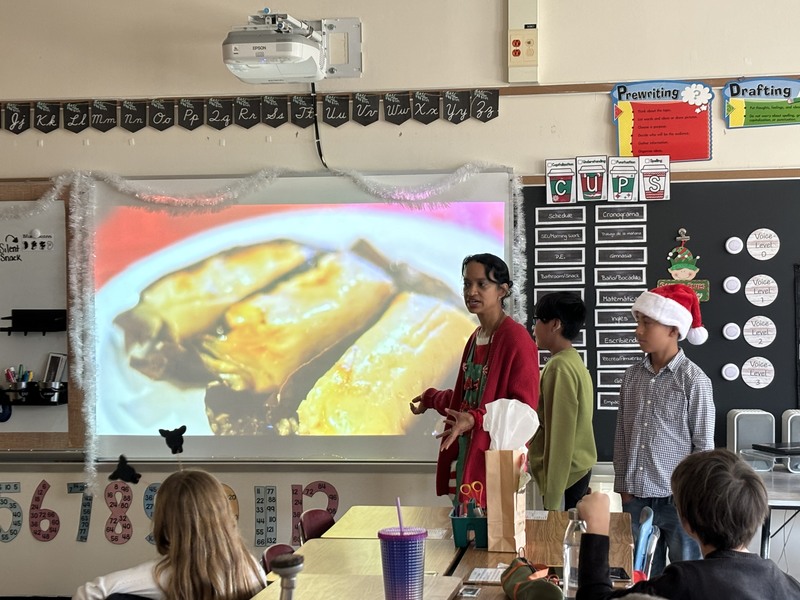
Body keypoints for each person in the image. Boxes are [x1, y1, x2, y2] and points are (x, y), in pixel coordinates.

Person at [575, 449, 800, 599]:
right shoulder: (790, 587)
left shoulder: (680, 584)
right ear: (759, 511)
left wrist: (596, 529)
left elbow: (596, 597)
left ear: (686, 522)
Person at [409, 253, 540, 502]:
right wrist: (432, 398)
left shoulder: (516, 340)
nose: (472, 292)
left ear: (502, 290)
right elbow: (469, 397)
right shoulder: (476, 337)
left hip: (493, 465)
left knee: (489, 538)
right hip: (465, 460)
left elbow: (525, 411)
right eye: (467, 284)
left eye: (482, 284)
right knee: (462, 536)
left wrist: (475, 419)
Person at [613, 283, 714, 576]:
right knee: (640, 575)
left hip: (678, 501)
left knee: (688, 574)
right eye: (638, 322)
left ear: (673, 329)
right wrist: (624, 487)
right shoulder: (631, 377)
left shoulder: (694, 380)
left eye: (648, 323)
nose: (638, 331)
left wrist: (693, 498)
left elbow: (703, 446)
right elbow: (621, 435)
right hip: (635, 498)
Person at [73, 470, 266, 600]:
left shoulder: (162, 575)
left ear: (165, 521)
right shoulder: (252, 568)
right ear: (224, 514)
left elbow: (88, 592)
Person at [529, 291, 596, 510]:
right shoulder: (572, 360)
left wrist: (553, 493)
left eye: (538, 320)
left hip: (566, 476)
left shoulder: (559, 367)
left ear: (555, 324)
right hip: (574, 471)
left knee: (559, 539)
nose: (534, 327)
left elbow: (560, 435)